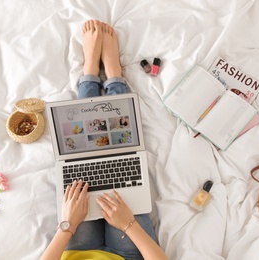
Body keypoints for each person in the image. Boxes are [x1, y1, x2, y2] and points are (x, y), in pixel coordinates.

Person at [41, 20, 168, 260]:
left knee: (82, 151)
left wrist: (68, 224)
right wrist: (128, 224)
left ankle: (90, 71)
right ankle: (113, 73)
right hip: (129, 254)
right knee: (121, 151)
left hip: (79, 251)